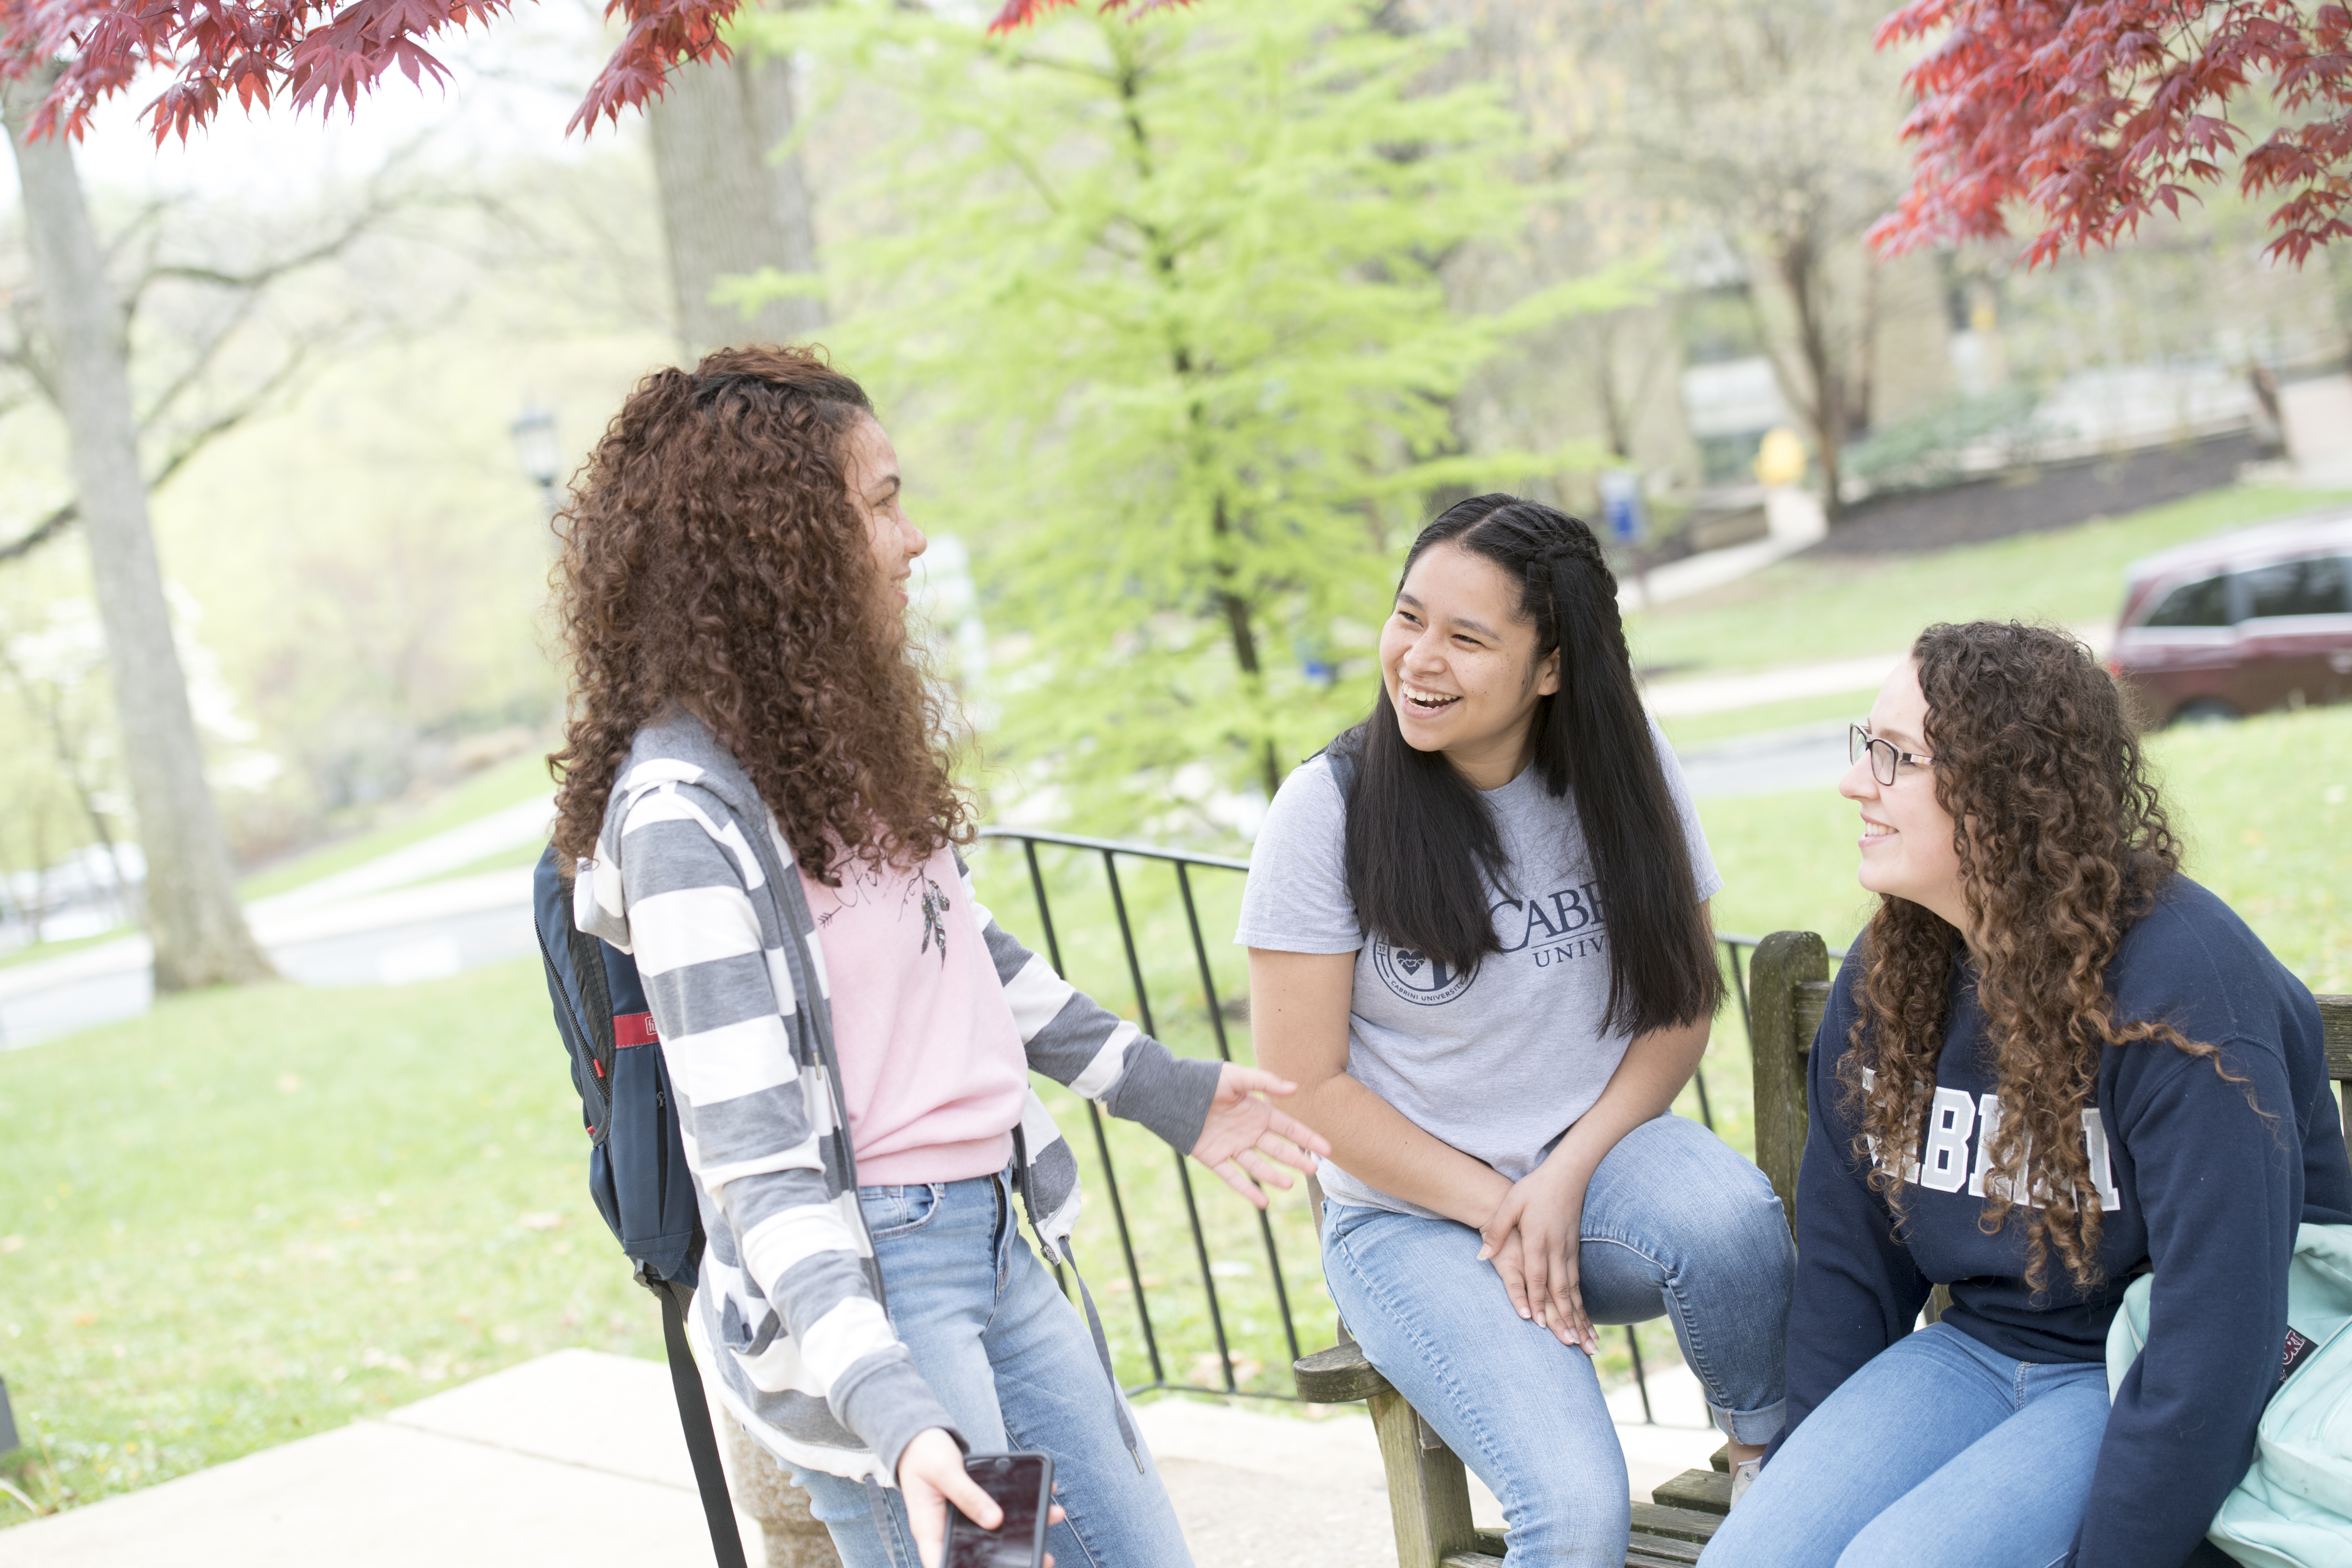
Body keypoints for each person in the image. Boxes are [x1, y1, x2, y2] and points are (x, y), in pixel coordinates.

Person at [548, 345, 1329, 1568]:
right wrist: (896, 1413)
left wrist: (1156, 1084)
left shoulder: (826, 734)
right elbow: (756, 1165)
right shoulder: (682, 817)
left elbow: (961, 951)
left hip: (996, 1246)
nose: (913, 538)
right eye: (882, 503)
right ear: (782, 541)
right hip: (881, 1297)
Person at [1699, 621, 2352, 1568]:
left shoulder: (2184, 997)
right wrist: (1807, 1488)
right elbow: (1852, 1265)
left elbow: (2214, 1349)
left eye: (1897, 758)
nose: (1855, 781)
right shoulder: (1899, 971)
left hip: (2138, 1372)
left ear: (2005, 793)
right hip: (1973, 1352)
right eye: (1864, 745)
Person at [1240, 494, 1796, 1564]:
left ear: (1551, 667)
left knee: (1732, 1221)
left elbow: (1679, 1003)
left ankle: (1767, 1467)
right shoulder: (1328, 810)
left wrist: (1564, 1174)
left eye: (1466, 636)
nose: (1419, 658)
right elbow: (1306, 1089)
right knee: (1575, 1513)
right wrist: (1502, 1206)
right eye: (1409, 618)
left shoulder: (1623, 774)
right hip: (1410, 1220)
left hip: (1597, 1172)